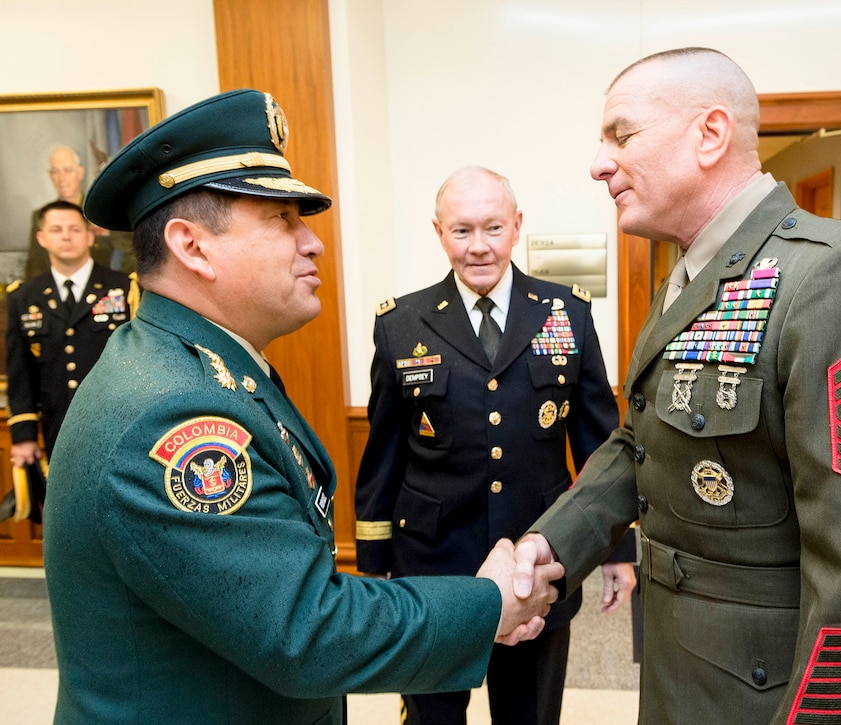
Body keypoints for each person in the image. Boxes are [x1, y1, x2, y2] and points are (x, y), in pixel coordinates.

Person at [42, 89, 562, 725]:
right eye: (282, 220)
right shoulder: (172, 413)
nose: (312, 243)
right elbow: (304, 629)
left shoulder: (206, 367)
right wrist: (488, 604)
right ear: (193, 246)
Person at [513, 47, 841, 724]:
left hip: (774, 698)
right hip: (684, 674)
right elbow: (640, 443)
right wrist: (550, 544)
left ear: (711, 134)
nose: (599, 162)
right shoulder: (688, 279)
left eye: (621, 134)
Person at [354, 165, 635, 725]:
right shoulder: (400, 323)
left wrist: (617, 549)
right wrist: (373, 561)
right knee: (432, 714)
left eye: (492, 228)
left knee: (529, 713)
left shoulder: (566, 313)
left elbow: (602, 445)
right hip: (433, 565)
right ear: (439, 232)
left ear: (517, 226)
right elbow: (383, 453)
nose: (478, 247)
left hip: (540, 555)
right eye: (461, 231)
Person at [0, 200, 134, 521]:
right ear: (42, 238)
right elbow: (20, 373)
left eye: (75, 229)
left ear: (89, 237)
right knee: (69, 516)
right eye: (56, 230)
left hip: (120, 423)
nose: (66, 236)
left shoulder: (124, 288)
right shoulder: (24, 297)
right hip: (58, 427)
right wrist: (23, 435)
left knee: (122, 511)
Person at [25, 145, 135, 278]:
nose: (61, 178)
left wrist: (119, 286)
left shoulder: (100, 210)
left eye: (67, 170)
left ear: (80, 173)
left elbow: (129, 253)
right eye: (55, 171)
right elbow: (35, 266)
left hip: (103, 289)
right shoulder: (40, 216)